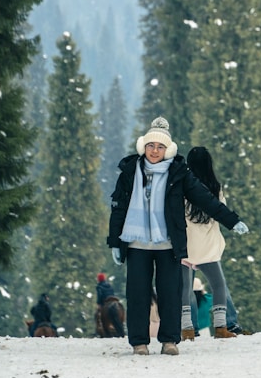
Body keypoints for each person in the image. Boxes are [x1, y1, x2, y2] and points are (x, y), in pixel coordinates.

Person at [106, 116, 249, 356]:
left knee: (170, 293)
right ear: (144, 146)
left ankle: (170, 340)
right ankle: (139, 342)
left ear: (168, 150)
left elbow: (205, 199)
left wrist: (231, 221)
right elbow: (118, 207)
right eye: (151, 145)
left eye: (160, 147)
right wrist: (115, 242)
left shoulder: (178, 173)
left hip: (168, 244)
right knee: (137, 294)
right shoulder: (130, 172)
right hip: (136, 243)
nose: (155, 151)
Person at [181, 145, 243, 340]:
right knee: (218, 285)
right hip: (207, 246)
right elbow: (219, 210)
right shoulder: (215, 187)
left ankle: (189, 330)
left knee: (184, 289)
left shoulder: (183, 186)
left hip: (187, 245)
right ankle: (222, 326)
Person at [95, 272, 125, 337]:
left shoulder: (99, 287)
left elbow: (100, 296)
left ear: (99, 279)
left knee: (97, 315)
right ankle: (121, 331)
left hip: (106, 301)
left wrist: (99, 303)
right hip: (113, 299)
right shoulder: (109, 285)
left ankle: (99, 330)